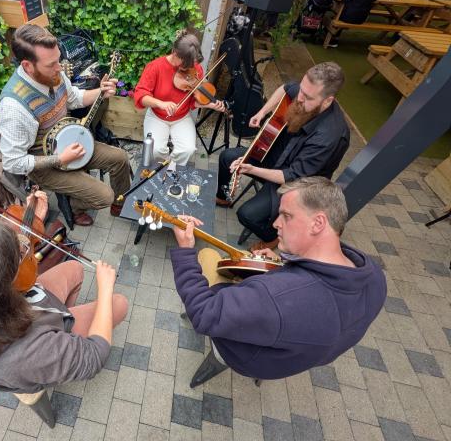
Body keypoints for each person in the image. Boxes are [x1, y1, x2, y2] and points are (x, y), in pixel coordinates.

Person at [171, 176, 387, 384]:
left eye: (286, 216)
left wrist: (185, 249)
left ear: (318, 223)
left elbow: (203, 314)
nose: (276, 223)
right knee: (242, 265)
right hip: (291, 355)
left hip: (244, 355)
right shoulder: (375, 277)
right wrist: (284, 265)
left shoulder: (274, 297)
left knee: (208, 256)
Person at [0, 191, 128, 394]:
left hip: (23, 312)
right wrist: (105, 287)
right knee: (118, 304)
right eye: (18, 255)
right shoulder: (27, 354)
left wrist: (32, 221)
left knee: (75, 268)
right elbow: (94, 358)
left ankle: (64, 326)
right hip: (32, 343)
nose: (24, 251)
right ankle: (64, 344)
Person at [0, 24, 131, 227]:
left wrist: (100, 92)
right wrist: (60, 158)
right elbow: (13, 162)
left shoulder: (53, 73)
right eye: (52, 64)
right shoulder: (14, 107)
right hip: (44, 163)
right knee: (104, 196)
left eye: (58, 60)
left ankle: (120, 204)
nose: (60, 68)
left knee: (120, 158)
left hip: (70, 142)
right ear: (27, 66)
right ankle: (74, 206)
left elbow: (74, 98)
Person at [215, 62, 350, 251]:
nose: (299, 98)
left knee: (247, 215)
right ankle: (224, 197)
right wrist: (262, 112)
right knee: (227, 157)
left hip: (298, 183)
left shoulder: (329, 136)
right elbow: (285, 88)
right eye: (301, 90)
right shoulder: (305, 92)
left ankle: (273, 238)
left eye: (307, 97)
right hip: (274, 157)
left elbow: (291, 176)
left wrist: (252, 169)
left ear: (327, 101)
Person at [133, 31, 226, 167]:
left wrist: (208, 105)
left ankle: (171, 168)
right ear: (175, 53)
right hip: (157, 116)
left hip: (181, 117)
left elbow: (193, 102)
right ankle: (161, 168)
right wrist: (161, 103)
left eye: (192, 64)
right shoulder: (155, 67)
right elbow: (140, 96)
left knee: (188, 149)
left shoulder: (195, 69)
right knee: (156, 150)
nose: (190, 68)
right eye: (185, 65)